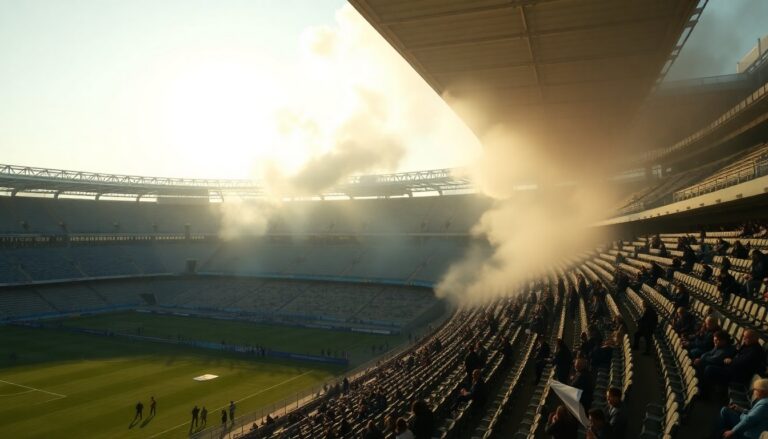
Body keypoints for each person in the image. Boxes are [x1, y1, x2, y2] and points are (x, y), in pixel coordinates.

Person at [702, 330, 766, 396]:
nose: (743, 339)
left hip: (738, 375)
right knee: (710, 363)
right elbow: (738, 355)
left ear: (755, 339)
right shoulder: (748, 345)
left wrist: (731, 361)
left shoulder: (756, 351)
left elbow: (742, 363)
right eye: (744, 336)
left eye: (746, 338)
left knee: (709, 369)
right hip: (731, 368)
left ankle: (705, 393)